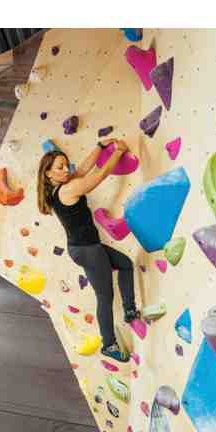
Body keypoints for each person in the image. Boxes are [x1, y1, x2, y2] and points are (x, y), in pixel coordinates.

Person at [36, 138, 140, 363]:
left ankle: (130, 310)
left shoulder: (59, 187)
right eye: (60, 167)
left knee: (125, 264)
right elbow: (99, 175)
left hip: (85, 246)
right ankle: (108, 344)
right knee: (104, 296)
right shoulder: (67, 189)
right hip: (87, 249)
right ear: (48, 174)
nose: (66, 170)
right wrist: (118, 152)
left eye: (65, 165)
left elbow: (82, 168)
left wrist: (101, 147)